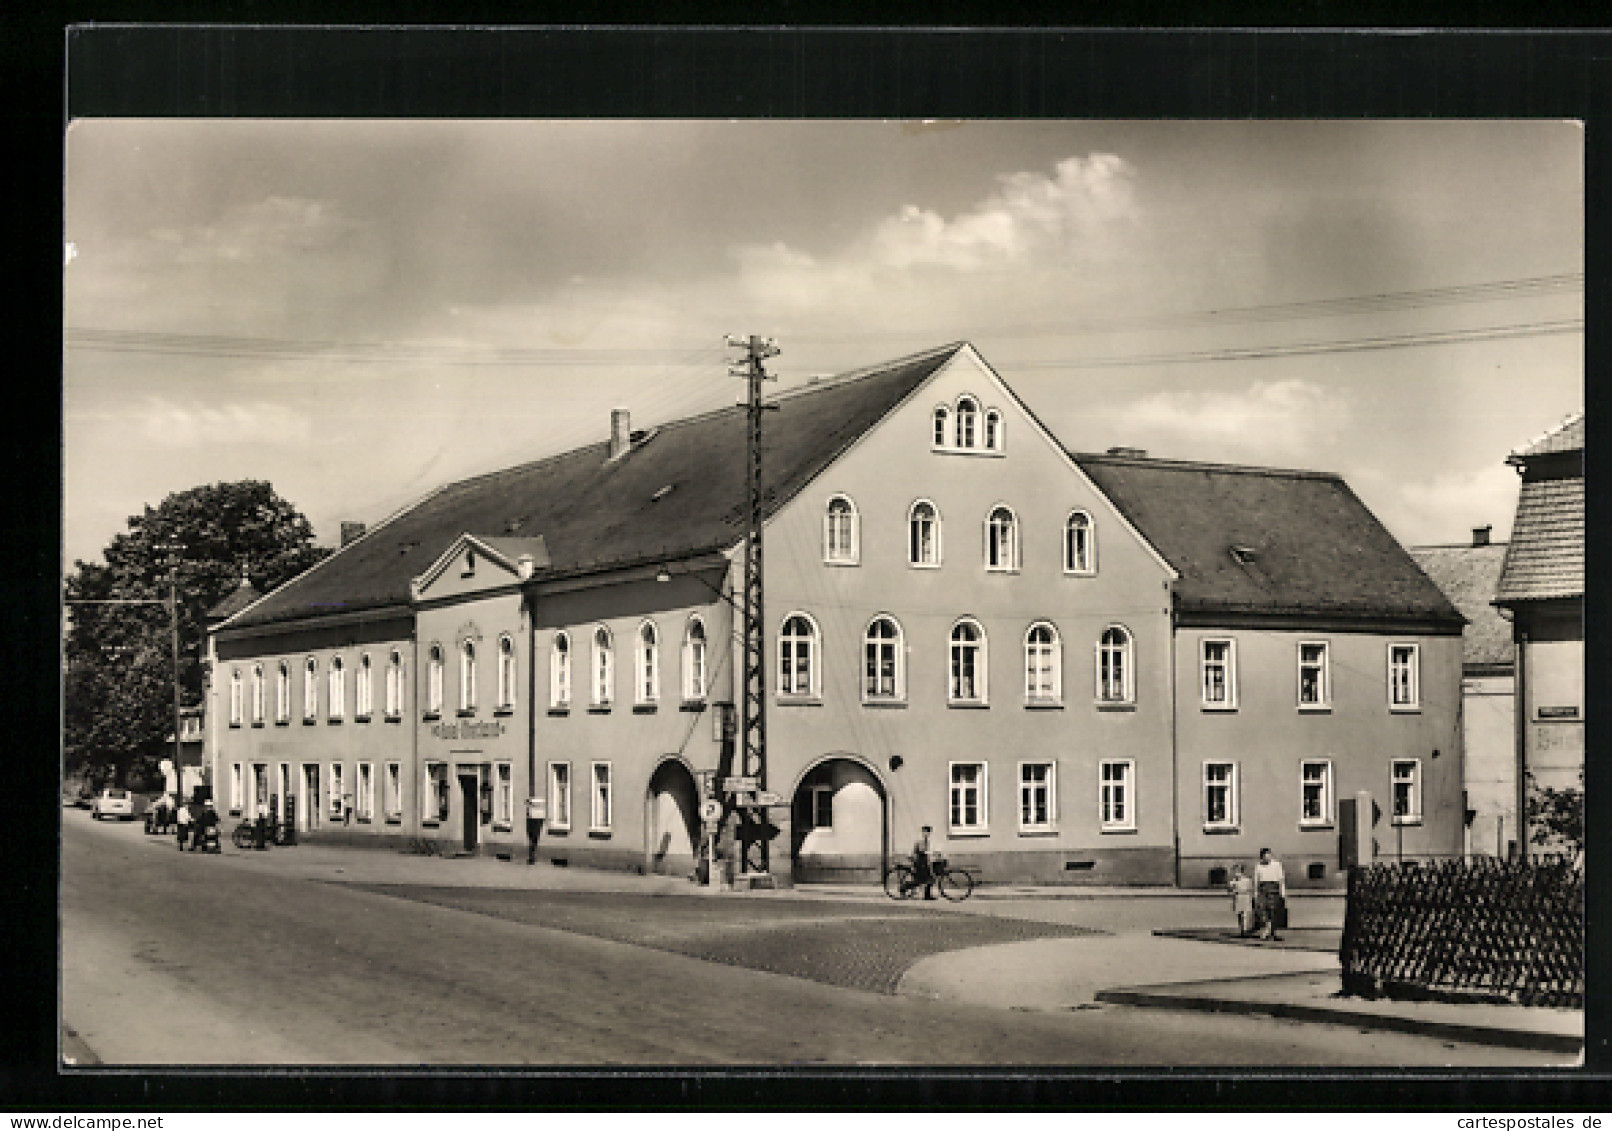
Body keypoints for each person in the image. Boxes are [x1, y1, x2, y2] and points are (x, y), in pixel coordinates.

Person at [1253, 847, 1287, 941]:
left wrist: (1282, 892)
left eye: (1268, 855)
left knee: (1274, 911)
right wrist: (1255, 893)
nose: (1267, 857)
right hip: (1263, 889)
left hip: (1274, 889)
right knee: (1264, 911)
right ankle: (1266, 931)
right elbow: (1256, 880)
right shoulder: (1258, 866)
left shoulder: (1277, 865)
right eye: (1264, 856)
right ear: (1261, 857)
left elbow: (1281, 879)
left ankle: (1272, 932)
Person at [1227, 863, 1256, 937]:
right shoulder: (1233, 882)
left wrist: (1252, 898)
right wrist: (1232, 890)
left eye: (1238, 872)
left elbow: (1250, 889)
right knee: (1239, 914)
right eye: (1235, 872)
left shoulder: (1247, 880)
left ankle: (1245, 929)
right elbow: (1230, 891)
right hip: (1238, 897)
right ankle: (1242, 929)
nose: (1237, 874)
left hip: (1245, 897)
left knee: (1245, 914)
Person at [911, 825, 937, 900]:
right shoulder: (920, 840)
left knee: (929, 878)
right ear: (923, 832)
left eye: (928, 832)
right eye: (926, 832)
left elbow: (927, 851)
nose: (927, 834)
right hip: (919, 862)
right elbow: (921, 851)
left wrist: (934, 853)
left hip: (924, 862)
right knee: (922, 880)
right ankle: (904, 887)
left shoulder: (926, 840)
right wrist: (930, 853)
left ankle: (927, 895)